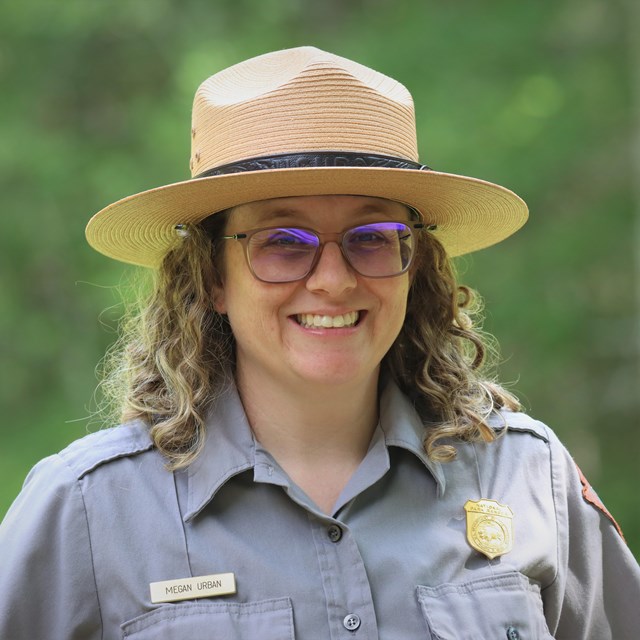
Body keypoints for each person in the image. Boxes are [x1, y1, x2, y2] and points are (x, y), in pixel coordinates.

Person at [0, 46, 638, 640]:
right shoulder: (87, 511)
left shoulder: (528, 478)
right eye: (282, 243)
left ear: (414, 267)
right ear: (212, 278)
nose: (332, 281)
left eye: (371, 236)